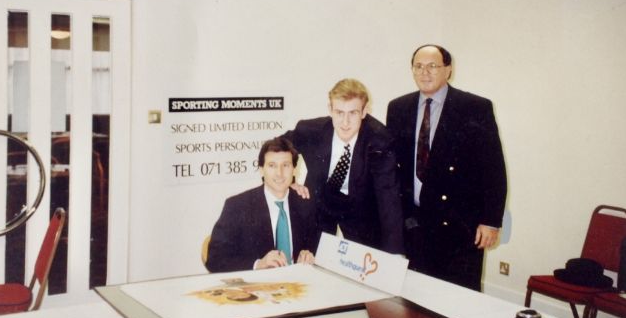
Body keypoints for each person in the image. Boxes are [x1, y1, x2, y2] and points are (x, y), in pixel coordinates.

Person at [386, 44, 507, 291]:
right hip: (414, 224)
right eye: (418, 66)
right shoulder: (398, 108)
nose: (425, 72)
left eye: (433, 66)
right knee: (414, 296)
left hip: (459, 226)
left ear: (448, 70)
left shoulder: (475, 107)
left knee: (458, 298)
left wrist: (491, 221)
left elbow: (493, 168)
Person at [282, 79, 404, 254]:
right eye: (339, 112)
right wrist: (288, 182)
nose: (345, 122)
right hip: (320, 201)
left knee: (366, 262)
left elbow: (389, 200)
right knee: (309, 257)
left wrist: (395, 255)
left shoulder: (380, 140)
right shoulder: (311, 131)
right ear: (330, 110)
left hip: (360, 208)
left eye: (353, 113)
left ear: (364, 111)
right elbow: (276, 149)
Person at [205, 137, 320, 273]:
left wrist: (309, 256)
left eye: (286, 165)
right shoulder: (237, 206)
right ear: (261, 170)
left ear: (294, 170)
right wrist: (258, 264)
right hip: (257, 284)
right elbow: (214, 259)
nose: (279, 173)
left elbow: (319, 250)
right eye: (272, 165)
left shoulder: (306, 204)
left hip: (299, 283)